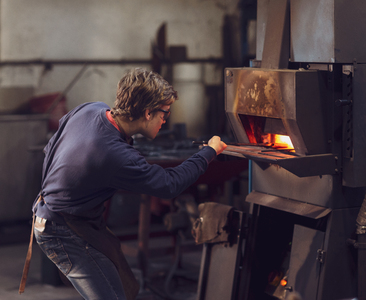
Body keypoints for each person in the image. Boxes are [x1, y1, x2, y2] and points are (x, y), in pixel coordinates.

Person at [24, 68, 227, 300]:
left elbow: (50, 148)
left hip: (67, 218)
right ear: (148, 112)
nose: (165, 120)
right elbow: (169, 185)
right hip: (61, 231)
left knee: (123, 289)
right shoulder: (115, 154)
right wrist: (209, 152)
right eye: (165, 113)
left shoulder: (91, 108)